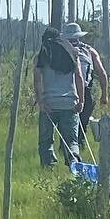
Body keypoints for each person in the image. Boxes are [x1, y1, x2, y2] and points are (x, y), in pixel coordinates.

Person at [34, 24, 84, 167]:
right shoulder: (72, 54)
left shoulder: (41, 56)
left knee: (45, 141)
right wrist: (81, 101)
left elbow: (37, 81)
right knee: (72, 141)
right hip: (70, 103)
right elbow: (79, 77)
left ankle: (48, 169)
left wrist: (41, 102)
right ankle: (74, 165)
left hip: (49, 104)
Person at [61, 21, 108, 129]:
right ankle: (75, 143)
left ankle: (75, 143)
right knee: (75, 124)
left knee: (73, 125)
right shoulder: (89, 51)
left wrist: (104, 94)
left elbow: (101, 73)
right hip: (75, 91)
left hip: (71, 91)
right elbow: (102, 73)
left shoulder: (88, 51)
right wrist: (104, 94)